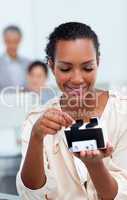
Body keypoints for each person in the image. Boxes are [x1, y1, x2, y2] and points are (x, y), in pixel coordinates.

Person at [16, 22, 127, 199]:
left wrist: (95, 165)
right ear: (51, 66)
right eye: (66, 68)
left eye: (87, 68)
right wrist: (36, 138)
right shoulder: (37, 120)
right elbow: (31, 194)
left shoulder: (122, 113)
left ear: (97, 62)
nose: (77, 79)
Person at [0, 25, 30, 90]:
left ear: (20, 40)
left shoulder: (28, 64)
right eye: (8, 41)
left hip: (25, 99)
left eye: (15, 41)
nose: (12, 45)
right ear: (4, 40)